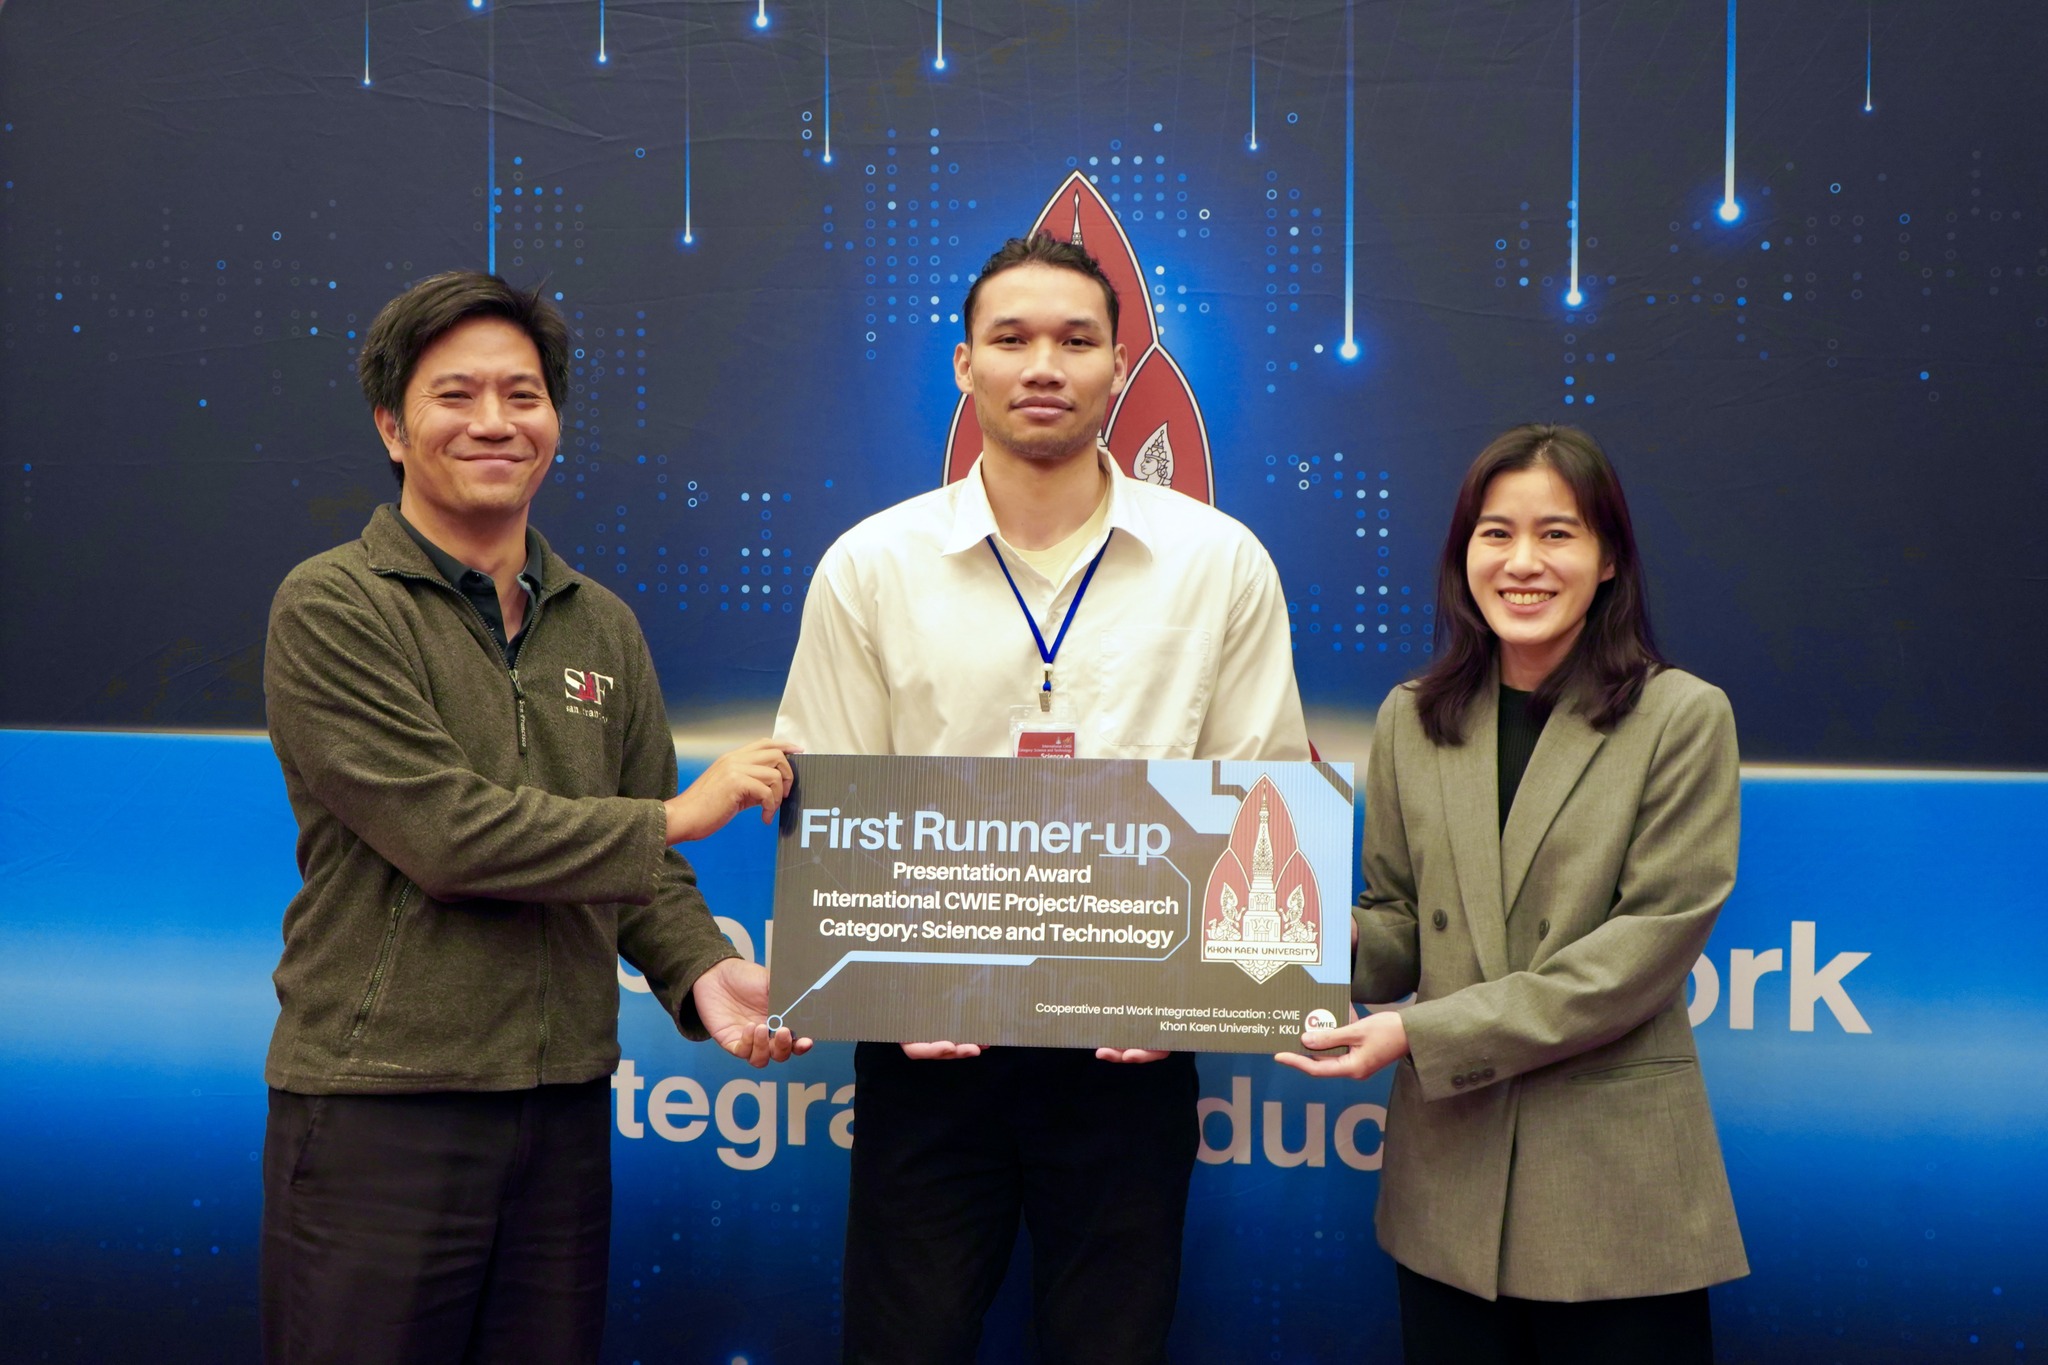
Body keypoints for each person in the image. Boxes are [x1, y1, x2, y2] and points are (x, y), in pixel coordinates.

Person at [775, 233, 1310, 1364]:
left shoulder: (1219, 563)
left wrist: (1192, 997)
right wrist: (883, 988)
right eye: (1011, 339)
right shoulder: (871, 566)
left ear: (1120, 365)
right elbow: (822, 803)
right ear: (963, 364)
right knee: (902, 1347)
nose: (1043, 366)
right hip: (929, 1049)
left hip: (1131, 1050)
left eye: (1075, 340)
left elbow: (1264, 800)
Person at [260, 270, 806, 1365]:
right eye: (455, 395)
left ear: (554, 421)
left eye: (523, 395)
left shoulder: (601, 625)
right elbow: (447, 835)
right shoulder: (332, 604)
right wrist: (675, 816)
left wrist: (703, 970)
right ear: (391, 425)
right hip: (383, 1108)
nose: (494, 422)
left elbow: (643, 871)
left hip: (562, 1111)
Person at [1278, 424, 1747, 1364]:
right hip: (1448, 1189)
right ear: (1465, 554)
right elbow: (1398, 920)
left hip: (1613, 1193)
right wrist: (1311, 932)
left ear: (1608, 559)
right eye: (1496, 533)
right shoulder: (1412, 717)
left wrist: (1421, 1033)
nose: (1522, 562)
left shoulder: (1681, 716)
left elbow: (1636, 958)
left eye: (1556, 533)